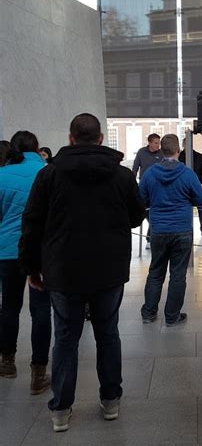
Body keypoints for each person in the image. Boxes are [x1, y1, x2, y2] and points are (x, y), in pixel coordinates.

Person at [19, 113, 146, 433]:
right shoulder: (120, 176)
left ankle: (61, 409)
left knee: (64, 338)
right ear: (101, 138)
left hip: (62, 271)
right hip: (109, 270)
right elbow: (135, 216)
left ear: (71, 138)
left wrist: (32, 268)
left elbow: (32, 224)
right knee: (108, 334)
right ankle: (111, 401)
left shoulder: (49, 175)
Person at [0, 131, 51, 395]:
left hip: (8, 251)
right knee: (41, 310)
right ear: (37, 147)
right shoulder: (47, 172)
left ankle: (7, 362)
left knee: (9, 306)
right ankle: (39, 372)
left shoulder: (2, 175)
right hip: (41, 251)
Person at [140, 134, 202, 326]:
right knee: (178, 275)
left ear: (161, 150)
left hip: (159, 229)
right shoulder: (187, 174)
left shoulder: (150, 174)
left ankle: (149, 314)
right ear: (178, 151)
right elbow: (200, 200)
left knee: (155, 272)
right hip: (182, 230)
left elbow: (141, 199)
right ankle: (172, 316)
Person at [132, 133, 164, 248]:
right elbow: (135, 168)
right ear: (149, 143)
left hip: (158, 188)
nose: (158, 145)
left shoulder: (161, 154)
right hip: (144, 188)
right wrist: (132, 183)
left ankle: (150, 237)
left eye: (159, 143)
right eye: (156, 143)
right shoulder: (141, 152)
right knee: (145, 211)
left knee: (155, 212)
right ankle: (152, 235)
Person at [179, 138, 202, 239]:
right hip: (183, 188)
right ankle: (184, 230)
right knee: (184, 209)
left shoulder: (199, 157)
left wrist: (199, 181)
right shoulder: (179, 157)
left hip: (196, 186)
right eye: (185, 144)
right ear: (183, 145)